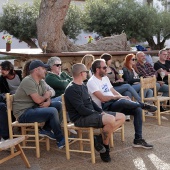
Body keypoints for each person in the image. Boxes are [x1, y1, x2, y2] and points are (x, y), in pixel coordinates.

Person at [87, 59, 157, 149]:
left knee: (137, 110)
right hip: (105, 107)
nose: (107, 69)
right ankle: (143, 105)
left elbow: (113, 91)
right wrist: (120, 98)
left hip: (114, 103)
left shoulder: (105, 78)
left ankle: (138, 139)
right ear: (97, 69)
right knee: (123, 101)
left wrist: (121, 97)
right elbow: (103, 98)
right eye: (104, 67)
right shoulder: (92, 82)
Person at [65, 63, 125, 162]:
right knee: (110, 119)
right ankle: (105, 148)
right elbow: (81, 110)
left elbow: (91, 102)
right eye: (86, 71)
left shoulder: (83, 86)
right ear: (81, 73)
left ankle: (99, 139)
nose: (88, 73)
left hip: (90, 114)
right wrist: (98, 114)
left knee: (122, 117)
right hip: (80, 118)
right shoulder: (71, 89)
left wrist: (101, 111)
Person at [13, 60, 65, 149]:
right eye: (43, 69)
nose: (46, 71)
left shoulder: (40, 81)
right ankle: (60, 139)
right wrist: (46, 96)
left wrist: (48, 102)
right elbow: (38, 100)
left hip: (33, 108)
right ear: (37, 70)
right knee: (52, 111)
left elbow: (47, 93)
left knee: (58, 105)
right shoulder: (28, 81)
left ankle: (46, 130)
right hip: (23, 113)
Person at [100, 53, 142, 121]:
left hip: (116, 85)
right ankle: (140, 102)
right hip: (111, 89)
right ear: (106, 60)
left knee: (127, 92)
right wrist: (114, 82)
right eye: (110, 60)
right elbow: (104, 82)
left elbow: (117, 77)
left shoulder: (112, 68)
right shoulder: (103, 70)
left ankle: (127, 114)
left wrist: (119, 79)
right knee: (127, 86)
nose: (111, 61)